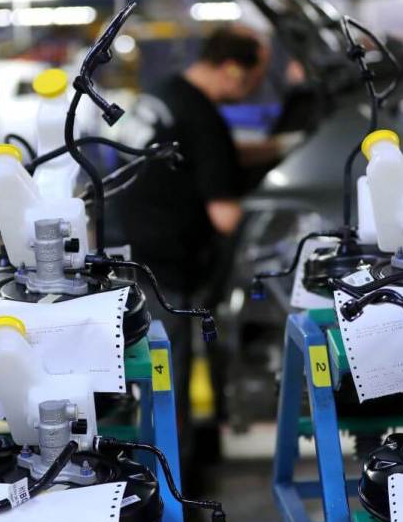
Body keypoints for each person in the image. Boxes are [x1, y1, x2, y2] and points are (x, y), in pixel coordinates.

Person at [112, 25, 279, 428]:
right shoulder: (204, 120)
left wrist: (281, 148)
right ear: (233, 70)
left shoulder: (166, 93)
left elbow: (204, 157)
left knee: (138, 380)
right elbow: (226, 217)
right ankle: (171, 481)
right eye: (255, 78)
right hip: (164, 271)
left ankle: (149, 467)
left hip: (126, 251)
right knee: (165, 384)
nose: (257, 88)